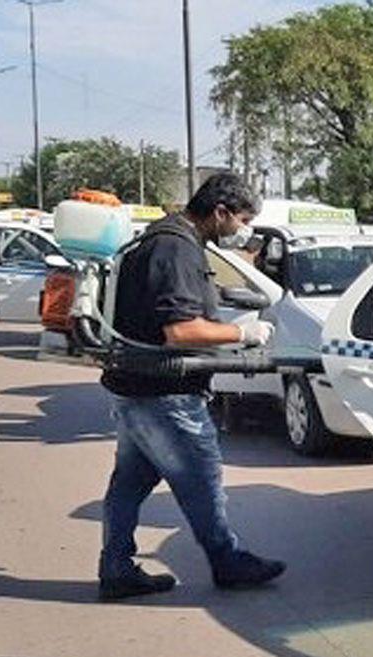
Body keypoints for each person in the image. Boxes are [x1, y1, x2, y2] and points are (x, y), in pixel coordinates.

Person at [96, 172, 285, 601]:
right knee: (203, 478)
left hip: (136, 387)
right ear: (219, 212)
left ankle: (116, 566)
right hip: (166, 393)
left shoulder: (164, 239)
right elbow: (180, 331)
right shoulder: (175, 247)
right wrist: (243, 335)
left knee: (129, 482)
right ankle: (227, 561)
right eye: (241, 220)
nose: (243, 230)